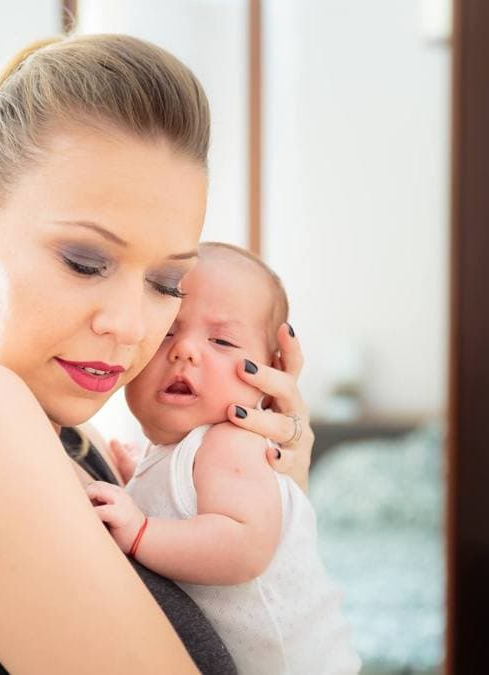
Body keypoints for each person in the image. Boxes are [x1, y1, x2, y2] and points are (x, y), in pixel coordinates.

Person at [0, 34, 316, 675]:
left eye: (166, 284)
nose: (130, 326)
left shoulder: (77, 442)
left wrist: (270, 498)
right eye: (85, 262)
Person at [86, 242, 361, 674]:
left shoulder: (232, 441)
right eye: (166, 334)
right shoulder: (182, 452)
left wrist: (140, 529)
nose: (185, 351)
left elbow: (243, 546)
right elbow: (189, 507)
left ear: (268, 374)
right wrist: (137, 484)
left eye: (222, 340)